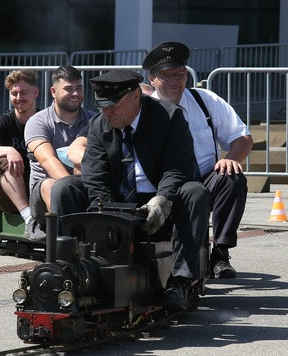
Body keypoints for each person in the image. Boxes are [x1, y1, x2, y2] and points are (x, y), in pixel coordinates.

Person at [74, 69, 212, 314]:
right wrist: (101, 210)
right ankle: (74, 274)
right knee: (66, 188)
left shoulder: (170, 117)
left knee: (195, 192)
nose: (108, 112)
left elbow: (178, 169)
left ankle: (179, 282)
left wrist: (161, 201)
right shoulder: (98, 125)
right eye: (103, 106)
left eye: (114, 105)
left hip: (161, 201)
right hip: (117, 204)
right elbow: (94, 175)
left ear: (135, 96)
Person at [144, 41, 253, 279]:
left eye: (179, 74)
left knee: (232, 177)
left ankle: (221, 254)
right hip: (161, 184)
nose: (175, 81)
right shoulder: (143, 110)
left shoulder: (205, 100)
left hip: (203, 178)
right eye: (166, 76)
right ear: (152, 79)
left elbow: (243, 137)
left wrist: (231, 158)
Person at [24, 64, 95, 223]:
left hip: (84, 185)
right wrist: (71, 189)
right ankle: (65, 238)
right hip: (44, 192)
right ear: (53, 92)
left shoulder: (94, 120)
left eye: (79, 88)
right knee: (52, 186)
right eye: (68, 89)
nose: (76, 93)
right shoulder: (38, 122)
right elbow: (47, 160)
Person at [0, 69, 43, 241]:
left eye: (23, 92)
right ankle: (29, 218)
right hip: (9, 196)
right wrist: (9, 150)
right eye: (14, 93)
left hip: (38, 188)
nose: (19, 98)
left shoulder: (45, 119)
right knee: (5, 160)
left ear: (35, 92)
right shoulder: (4, 121)